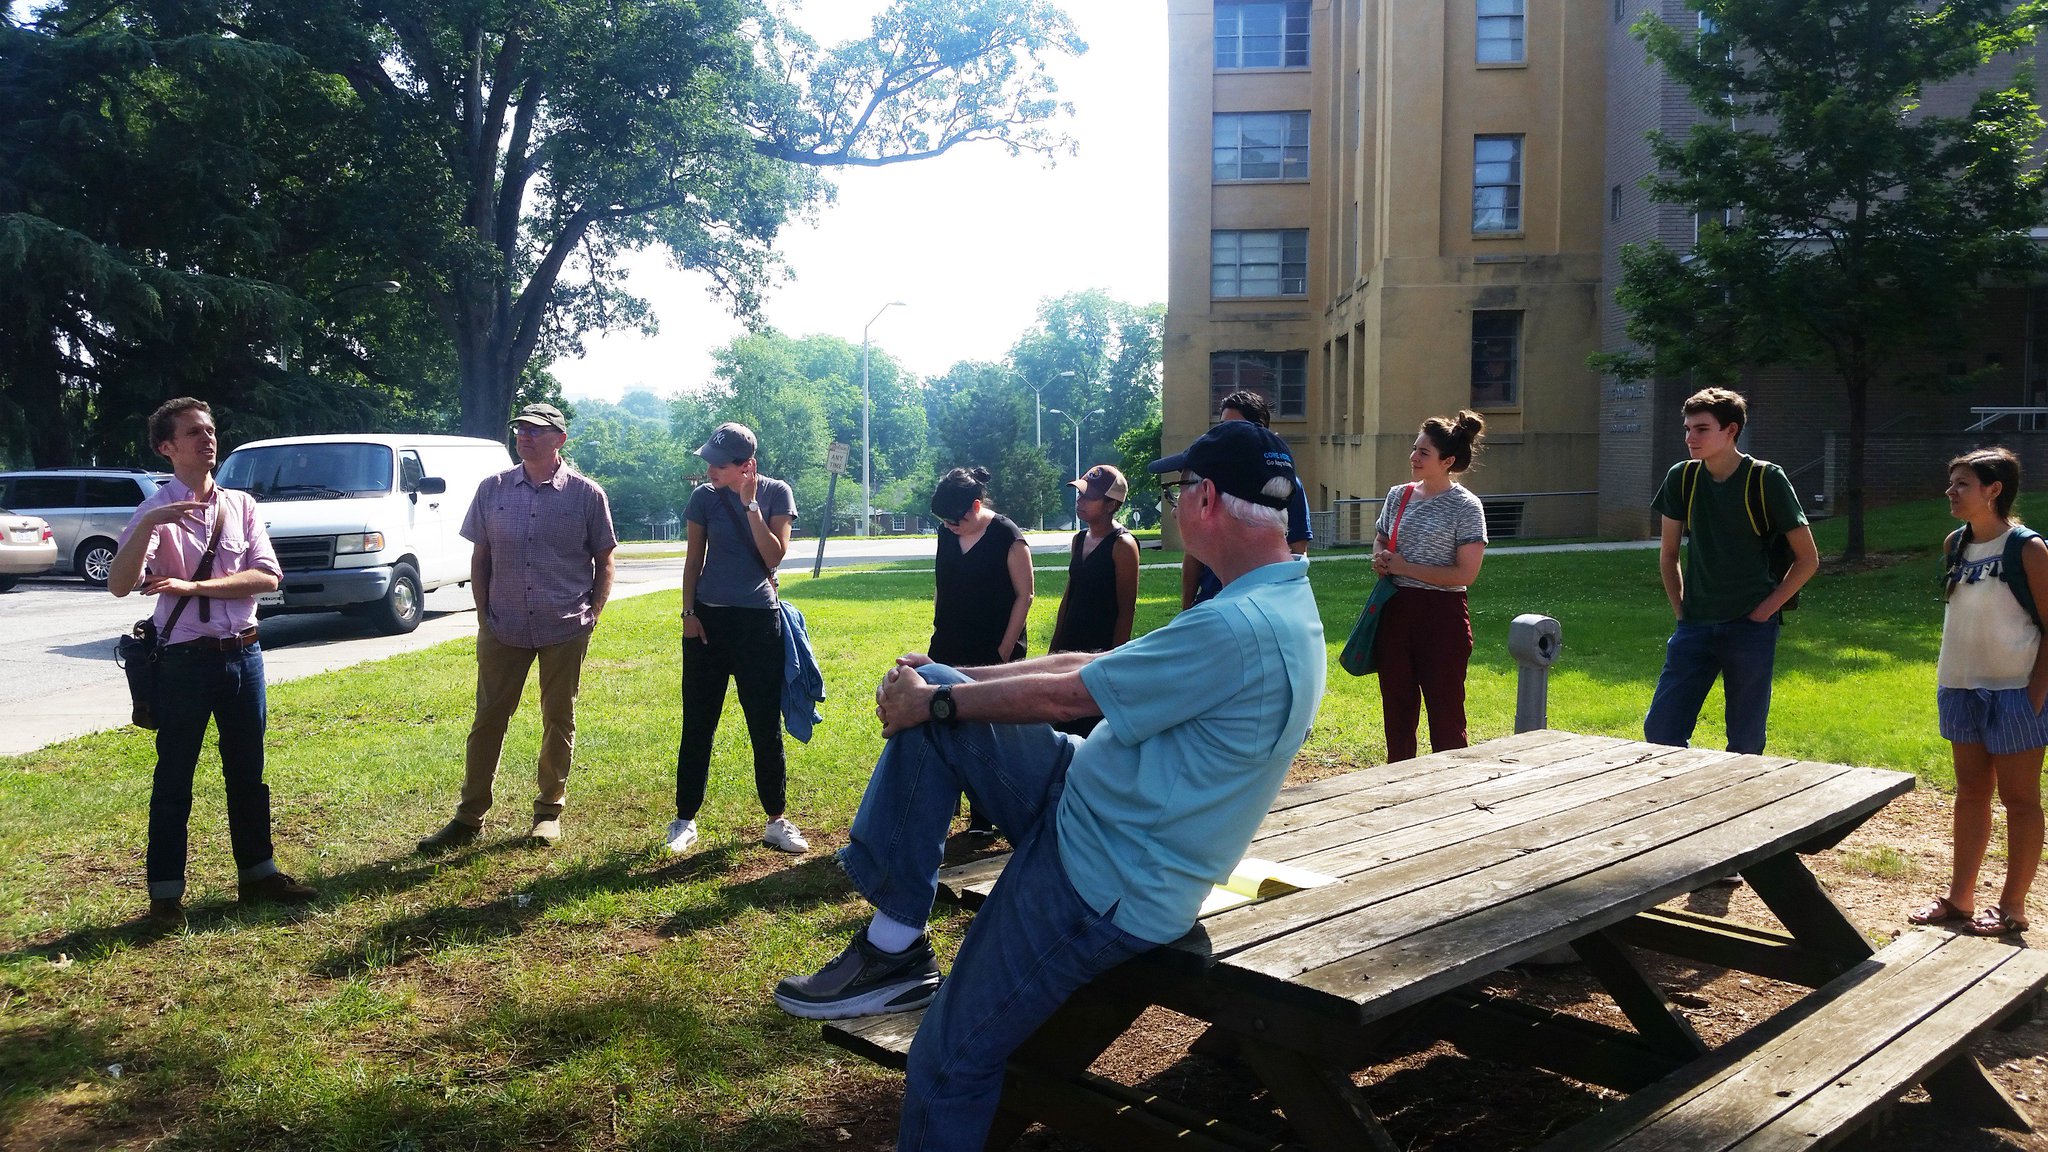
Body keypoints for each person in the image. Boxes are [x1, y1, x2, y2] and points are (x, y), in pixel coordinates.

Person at [771, 420, 1324, 1152]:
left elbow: (1072, 700)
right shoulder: (1267, 602)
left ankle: (895, 946)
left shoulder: (1240, 625)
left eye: (1178, 488)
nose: (1172, 503)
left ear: (1209, 498)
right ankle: (896, 943)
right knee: (938, 691)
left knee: (947, 1059)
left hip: (1105, 870)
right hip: (1102, 808)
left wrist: (934, 703)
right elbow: (1087, 667)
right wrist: (953, 680)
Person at [108, 397, 317, 927]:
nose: (208, 440)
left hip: (244, 655)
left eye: (210, 430)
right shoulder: (154, 509)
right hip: (183, 663)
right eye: (195, 433)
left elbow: (268, 578)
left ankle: (259, 875)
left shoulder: (241, 506)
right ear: (167, 447)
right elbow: (118, 584)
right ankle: (164, 898)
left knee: (249, 772)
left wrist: (195, 585)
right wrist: (153, 520)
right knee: (174, 776)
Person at [417, 402, 617, 852]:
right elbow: (480, 557)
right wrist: (483, 616)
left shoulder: (587, 495)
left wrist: (594, 613)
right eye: (520, 428)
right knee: (488, 718)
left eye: (536, 430)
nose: (524, 436)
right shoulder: (492, 489)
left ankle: (549, 811)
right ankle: (469, 816)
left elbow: (605, 559)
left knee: (558, 717)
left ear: (559, 439)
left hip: (565, 624)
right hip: (503, 625)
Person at [1908, 447, 2048, 936]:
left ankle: (2013, 908)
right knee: (1970, 794)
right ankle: (1960, 899)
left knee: (2020, 799)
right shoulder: (1956, 545)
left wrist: (2035, 694)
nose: (1951, 492)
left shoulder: (2028, 548)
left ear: (1993, 490)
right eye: (1952, 483)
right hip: (1960, 687)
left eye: (1962, 484)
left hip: (2014, 693)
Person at [1642, 388, 1819, 755]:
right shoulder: (1682, 478)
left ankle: (1743, 807)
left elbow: (1808, 559)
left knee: (1745, 740)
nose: (1691, 437)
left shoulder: (1765, 478)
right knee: (1661, 729)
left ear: (1731, 430)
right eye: (1688, 428)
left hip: (1750, 626)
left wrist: (1761, 614)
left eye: (1702, 429)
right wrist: (1682, 611)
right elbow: (1669, 553)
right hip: (1695, 624)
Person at [665, 422, 807, 857]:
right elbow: (693, 561)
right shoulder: (702, 498)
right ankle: (685, 819)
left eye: (720, 464)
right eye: (708, 460)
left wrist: (750, 508)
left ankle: (776, 820)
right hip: (707, 622)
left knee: (763, 724)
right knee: (698, 723)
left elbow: (774, 556)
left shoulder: (776, 493)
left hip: (758, 624)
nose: (710, 469)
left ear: (747, 466)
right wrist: (689, 614)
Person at [1370, 411, 1489, 762]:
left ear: (1447, 461)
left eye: (1424, 453)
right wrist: (1379, 558)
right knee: (1397, 710)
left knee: (1446, 714)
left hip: (1442, 619)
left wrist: (1406, 567)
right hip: (1395, 610)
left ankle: (1449, 792)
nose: (1414, 457)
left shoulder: (1466, 507)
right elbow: (1380, 537)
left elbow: (1465, 574)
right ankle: (1399, 783)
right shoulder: (1398, 495)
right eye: (1414, 448)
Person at [928, 466, 1034, 836]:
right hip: (948, 642)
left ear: (976, 505)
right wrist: (938, 624)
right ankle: (941, 809)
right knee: (942, 720)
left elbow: (1025, 595)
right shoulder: (946, 531)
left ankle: (985, 815)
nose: (950, 526)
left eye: (956, 519)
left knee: (987, 731)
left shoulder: (1007, 535)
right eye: (944, 521)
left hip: (993, 647)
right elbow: (942, 582)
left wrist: (1003, 651)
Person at [1180, 389, 1311, 608]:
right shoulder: (1210, 477)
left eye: (1235, 427)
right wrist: (1186, 607)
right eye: (1222, 426)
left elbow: (1297, 549)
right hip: (1211, 601)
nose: (1226, 433)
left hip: (1256, 605)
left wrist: (1285, 601)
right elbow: (1193, 552)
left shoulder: (1284, 485)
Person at [1047, 464, 1140, 737]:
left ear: (1111, 504)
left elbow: (1126, 609)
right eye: (1079, 494)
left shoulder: (1123, 545)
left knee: (1088, 724)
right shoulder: (1079, 539)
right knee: (1059, 716)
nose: (1080, 501)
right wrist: (1055, 647)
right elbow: (1069, 594)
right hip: (1070, 643)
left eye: (1088, 496)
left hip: (1099, 648)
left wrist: (1113, 660)